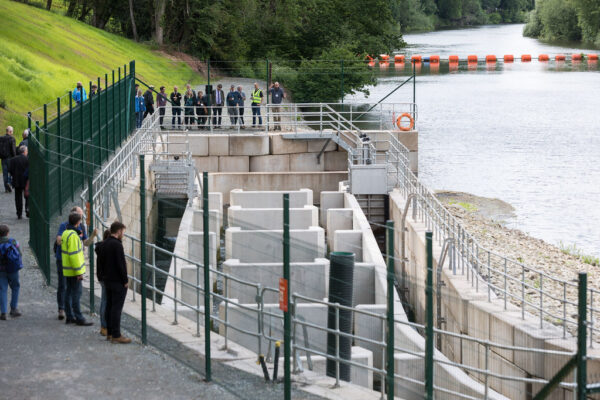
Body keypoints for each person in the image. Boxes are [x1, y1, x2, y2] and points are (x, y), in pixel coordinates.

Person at [55, 207, 97, 321]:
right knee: (66, 287)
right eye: (79, 214)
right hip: (65, 261)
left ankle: (69, 315)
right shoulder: (66, 227)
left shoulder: (81, 227)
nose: (81, 217)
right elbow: (60, 242)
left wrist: (93, 235)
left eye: (82, 214)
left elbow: (86, 243)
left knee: (69, 288)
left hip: (72, 263)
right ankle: (65, 310)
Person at [103, 221, 131, 343]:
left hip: (107, 280)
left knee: (109, 306)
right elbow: (121, 265)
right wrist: (125, 280)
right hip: (117, 281)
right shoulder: (117, 245)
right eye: (123, 232)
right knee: (116, 308)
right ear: (119, 231)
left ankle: (109, 333)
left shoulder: (105, 243)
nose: (123, 234)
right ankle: (116, 335)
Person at [0, 225, 22, 320]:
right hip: (12, 269)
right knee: (15, 287)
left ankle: (3, 312)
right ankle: (13, 308)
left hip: (1, 270)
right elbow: (19, 254)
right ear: (8, 233)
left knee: (2, 290)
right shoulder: (13, 242)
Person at [95, 229, 111, 337]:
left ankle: (104, 327)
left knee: (104, 301)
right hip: (107, 278)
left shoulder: (100, 247)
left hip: (101, 277)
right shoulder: (108, 249)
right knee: (106, 302)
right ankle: (105, 326)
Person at [8, 146, 28, 219]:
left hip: (16, 181)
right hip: (26, 181)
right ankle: (27, 209)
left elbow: (10, 170)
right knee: (27, 196)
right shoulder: (28, 159)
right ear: (25, 151)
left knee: (18, 198)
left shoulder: (13, 160)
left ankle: (19, 213)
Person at [0, 126, 16, 192]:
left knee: (5, 173)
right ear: (10, 131)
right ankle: (9, 183)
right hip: (10, 158)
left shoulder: (1, 138)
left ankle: (6, 188)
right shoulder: (12, 139)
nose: (12, 132)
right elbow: (13, 149)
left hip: (3, 158)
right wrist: (15, 157)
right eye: (12, 131)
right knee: (11, 172)